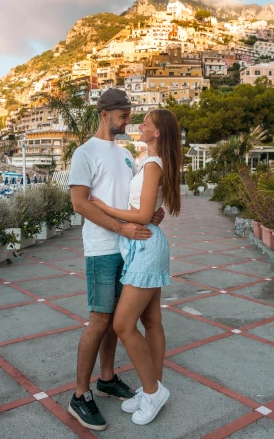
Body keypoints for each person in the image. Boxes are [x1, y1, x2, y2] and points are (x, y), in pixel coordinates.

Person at [68, 88, 164, 431]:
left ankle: (106, 379)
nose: (129, 121)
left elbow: (135, 198)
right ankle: (80, 395)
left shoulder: (126, 155)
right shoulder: (84, 153)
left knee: (115, 321)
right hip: (102, 249)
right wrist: (120, 228)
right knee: (98, 321)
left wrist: (152, 214)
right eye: (124, 115)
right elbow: (80, 203)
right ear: (105, 114)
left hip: (130, 249)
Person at [90, 109, 181, 425]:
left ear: (157, 133)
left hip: (145, 245)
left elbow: (142, 215)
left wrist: (101, 207)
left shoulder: (154, 165)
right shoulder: (150, 163)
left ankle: (153, 391)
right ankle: (152, 387)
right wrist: (148, 212)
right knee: (151, 320)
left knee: (122, 324)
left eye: (145, 123)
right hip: (145, 244)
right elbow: (149, 210)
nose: (139, 126)